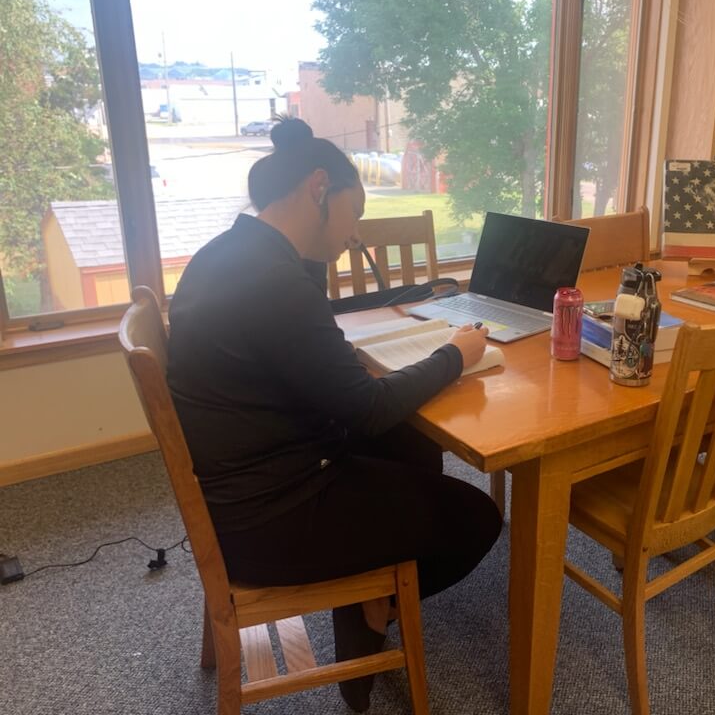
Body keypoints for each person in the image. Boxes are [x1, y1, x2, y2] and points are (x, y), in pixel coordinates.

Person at [166, 118, 502, 712]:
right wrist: (455, 354)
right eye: (355, 210)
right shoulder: (274, 280)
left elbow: (310, 363)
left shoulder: (232, 253)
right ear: (319, 187)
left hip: (250, 479)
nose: (355, 233)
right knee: (477, 517)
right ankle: (369, 604)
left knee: (412, 444)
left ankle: (372, 580)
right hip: (272, 518)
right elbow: (366, 409)